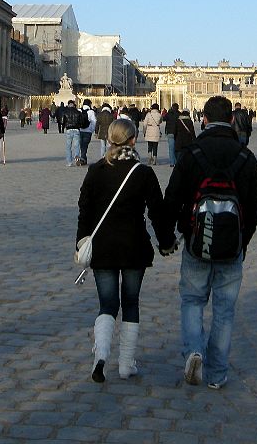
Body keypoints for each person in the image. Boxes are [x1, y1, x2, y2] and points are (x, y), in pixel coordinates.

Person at [163, 95, 257, 390]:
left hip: (196, 239)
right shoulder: (247, 157)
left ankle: (194, 350)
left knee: (192, 300)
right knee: (225, 309)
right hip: (232, 245)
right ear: (232, 120)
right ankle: (217, 375)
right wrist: (244, 240)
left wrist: (169, 237)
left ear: (203, 119)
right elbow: (255, 207)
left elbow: (172, 199)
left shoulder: (192, 153)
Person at [77, 118, 177, 383]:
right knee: (131, 303)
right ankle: (125, 364)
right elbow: (157, 213)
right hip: (134, 246)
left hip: (104, 248)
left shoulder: (96, 170)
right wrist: (166, 242)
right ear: (134, 140)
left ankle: (101, 356)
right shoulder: (142, 173)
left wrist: (82, 240)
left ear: (110, 139)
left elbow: (84, 210)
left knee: (107, 304)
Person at [61, 100, 82, 167]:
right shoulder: (78, 112)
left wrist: (64, 127)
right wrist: (79, 126)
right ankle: (77, 158)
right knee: (77, 146)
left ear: (68, 104)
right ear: (74, 104)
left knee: (68, 147)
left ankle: (69, 162)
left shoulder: (65, 112)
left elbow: (62, 121)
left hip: (69, 130)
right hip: (76, 129)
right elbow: (81, 121)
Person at [78, 99, 97, 166]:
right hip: (88, 131)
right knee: (85, 146)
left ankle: (83, 159)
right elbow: (94, 122)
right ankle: (83, 158)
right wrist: (92, 130)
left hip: (80, 130)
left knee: (81, 145)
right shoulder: (91, 112)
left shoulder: (79, 110)